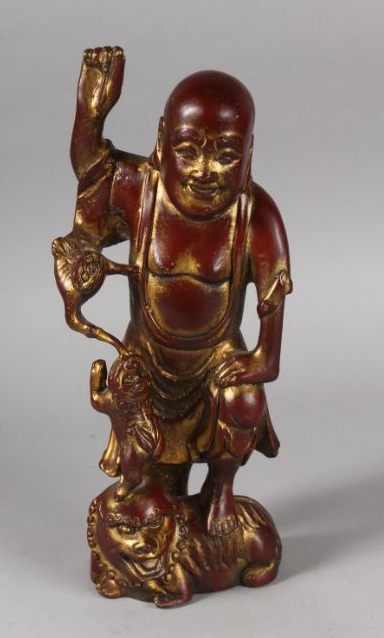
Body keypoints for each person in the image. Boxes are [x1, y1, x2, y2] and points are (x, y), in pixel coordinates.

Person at [55, 46, 292, 536]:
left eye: (226, 155)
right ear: (162, 142)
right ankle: (156, 490)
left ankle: (219, 491)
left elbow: (270, 341)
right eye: (189, 150)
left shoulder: (256, 216)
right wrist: (89, 115)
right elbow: (93, 171)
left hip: (215, 359)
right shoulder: (143, 191)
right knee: (146, 460)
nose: (205, 171)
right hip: (148, 355)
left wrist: (255, 364)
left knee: (243, 398)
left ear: (249, 155)